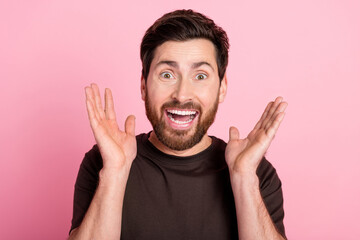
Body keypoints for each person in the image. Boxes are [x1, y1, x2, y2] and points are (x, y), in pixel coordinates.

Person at [69, 9, 288, 240]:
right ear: (143, 86)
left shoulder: (256, 172)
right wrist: (114, 172)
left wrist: (244, 178)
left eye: (200, 76)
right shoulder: (103, 161)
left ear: (222, 88)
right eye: (167, 75)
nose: (182, 95)